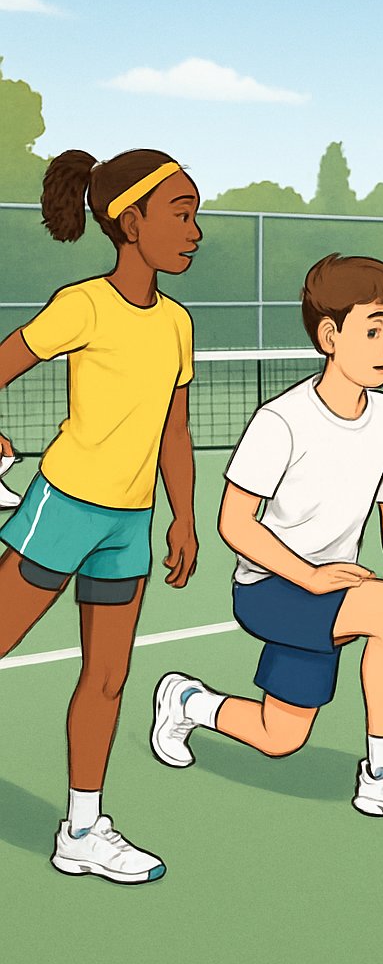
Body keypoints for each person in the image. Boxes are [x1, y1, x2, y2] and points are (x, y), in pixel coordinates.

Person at [151, 254, 383, 827]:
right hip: (271, 588)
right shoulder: (282, 421)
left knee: (279, 736)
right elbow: (235, 524)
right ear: (329, 335)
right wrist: (315, 577)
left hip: (326, 593)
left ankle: (186, 702)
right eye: (372, 330)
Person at [0, 149, 200, 881]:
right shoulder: (82, 305)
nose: (194, 231)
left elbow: (175, 430)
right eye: (180, 213)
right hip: (65, 507)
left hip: (129, 524)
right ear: (128, 220)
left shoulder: (176, 323)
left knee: (108, 679)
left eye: (195, 214)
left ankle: (83, 829)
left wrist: (183, 517)